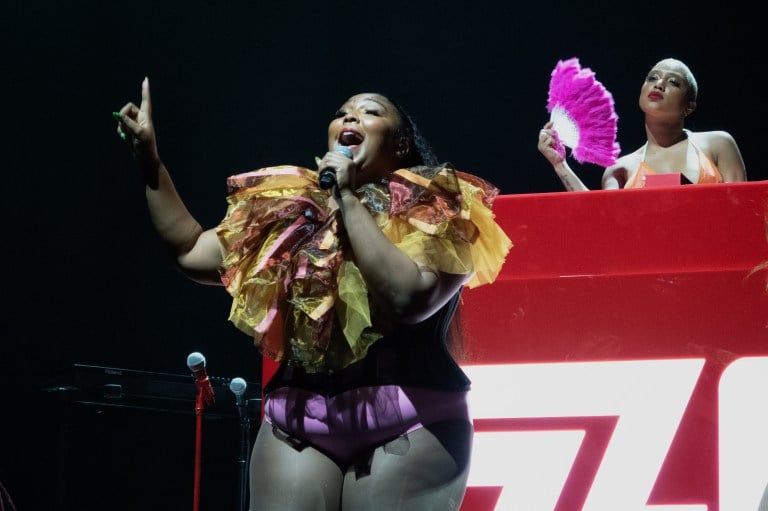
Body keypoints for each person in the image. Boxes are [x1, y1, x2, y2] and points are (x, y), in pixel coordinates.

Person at [113, 78, 511, 510]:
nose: (351, 116)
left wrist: (346, 197)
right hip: (298, 421)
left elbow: (408, 299)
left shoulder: (436, 207)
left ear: (399, 147)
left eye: (371, 112)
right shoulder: (292, 210)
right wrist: (149, 161)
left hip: (411, 419)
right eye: (343, 111)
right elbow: (191, 251)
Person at [537, 57, 747, 191]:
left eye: (673, 82)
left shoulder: (718, 144)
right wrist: (560, 165)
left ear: (689, 107)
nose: (659, 84)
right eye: (652, 77)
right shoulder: (621, 169)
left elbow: (743, 212)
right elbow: (600, 218)